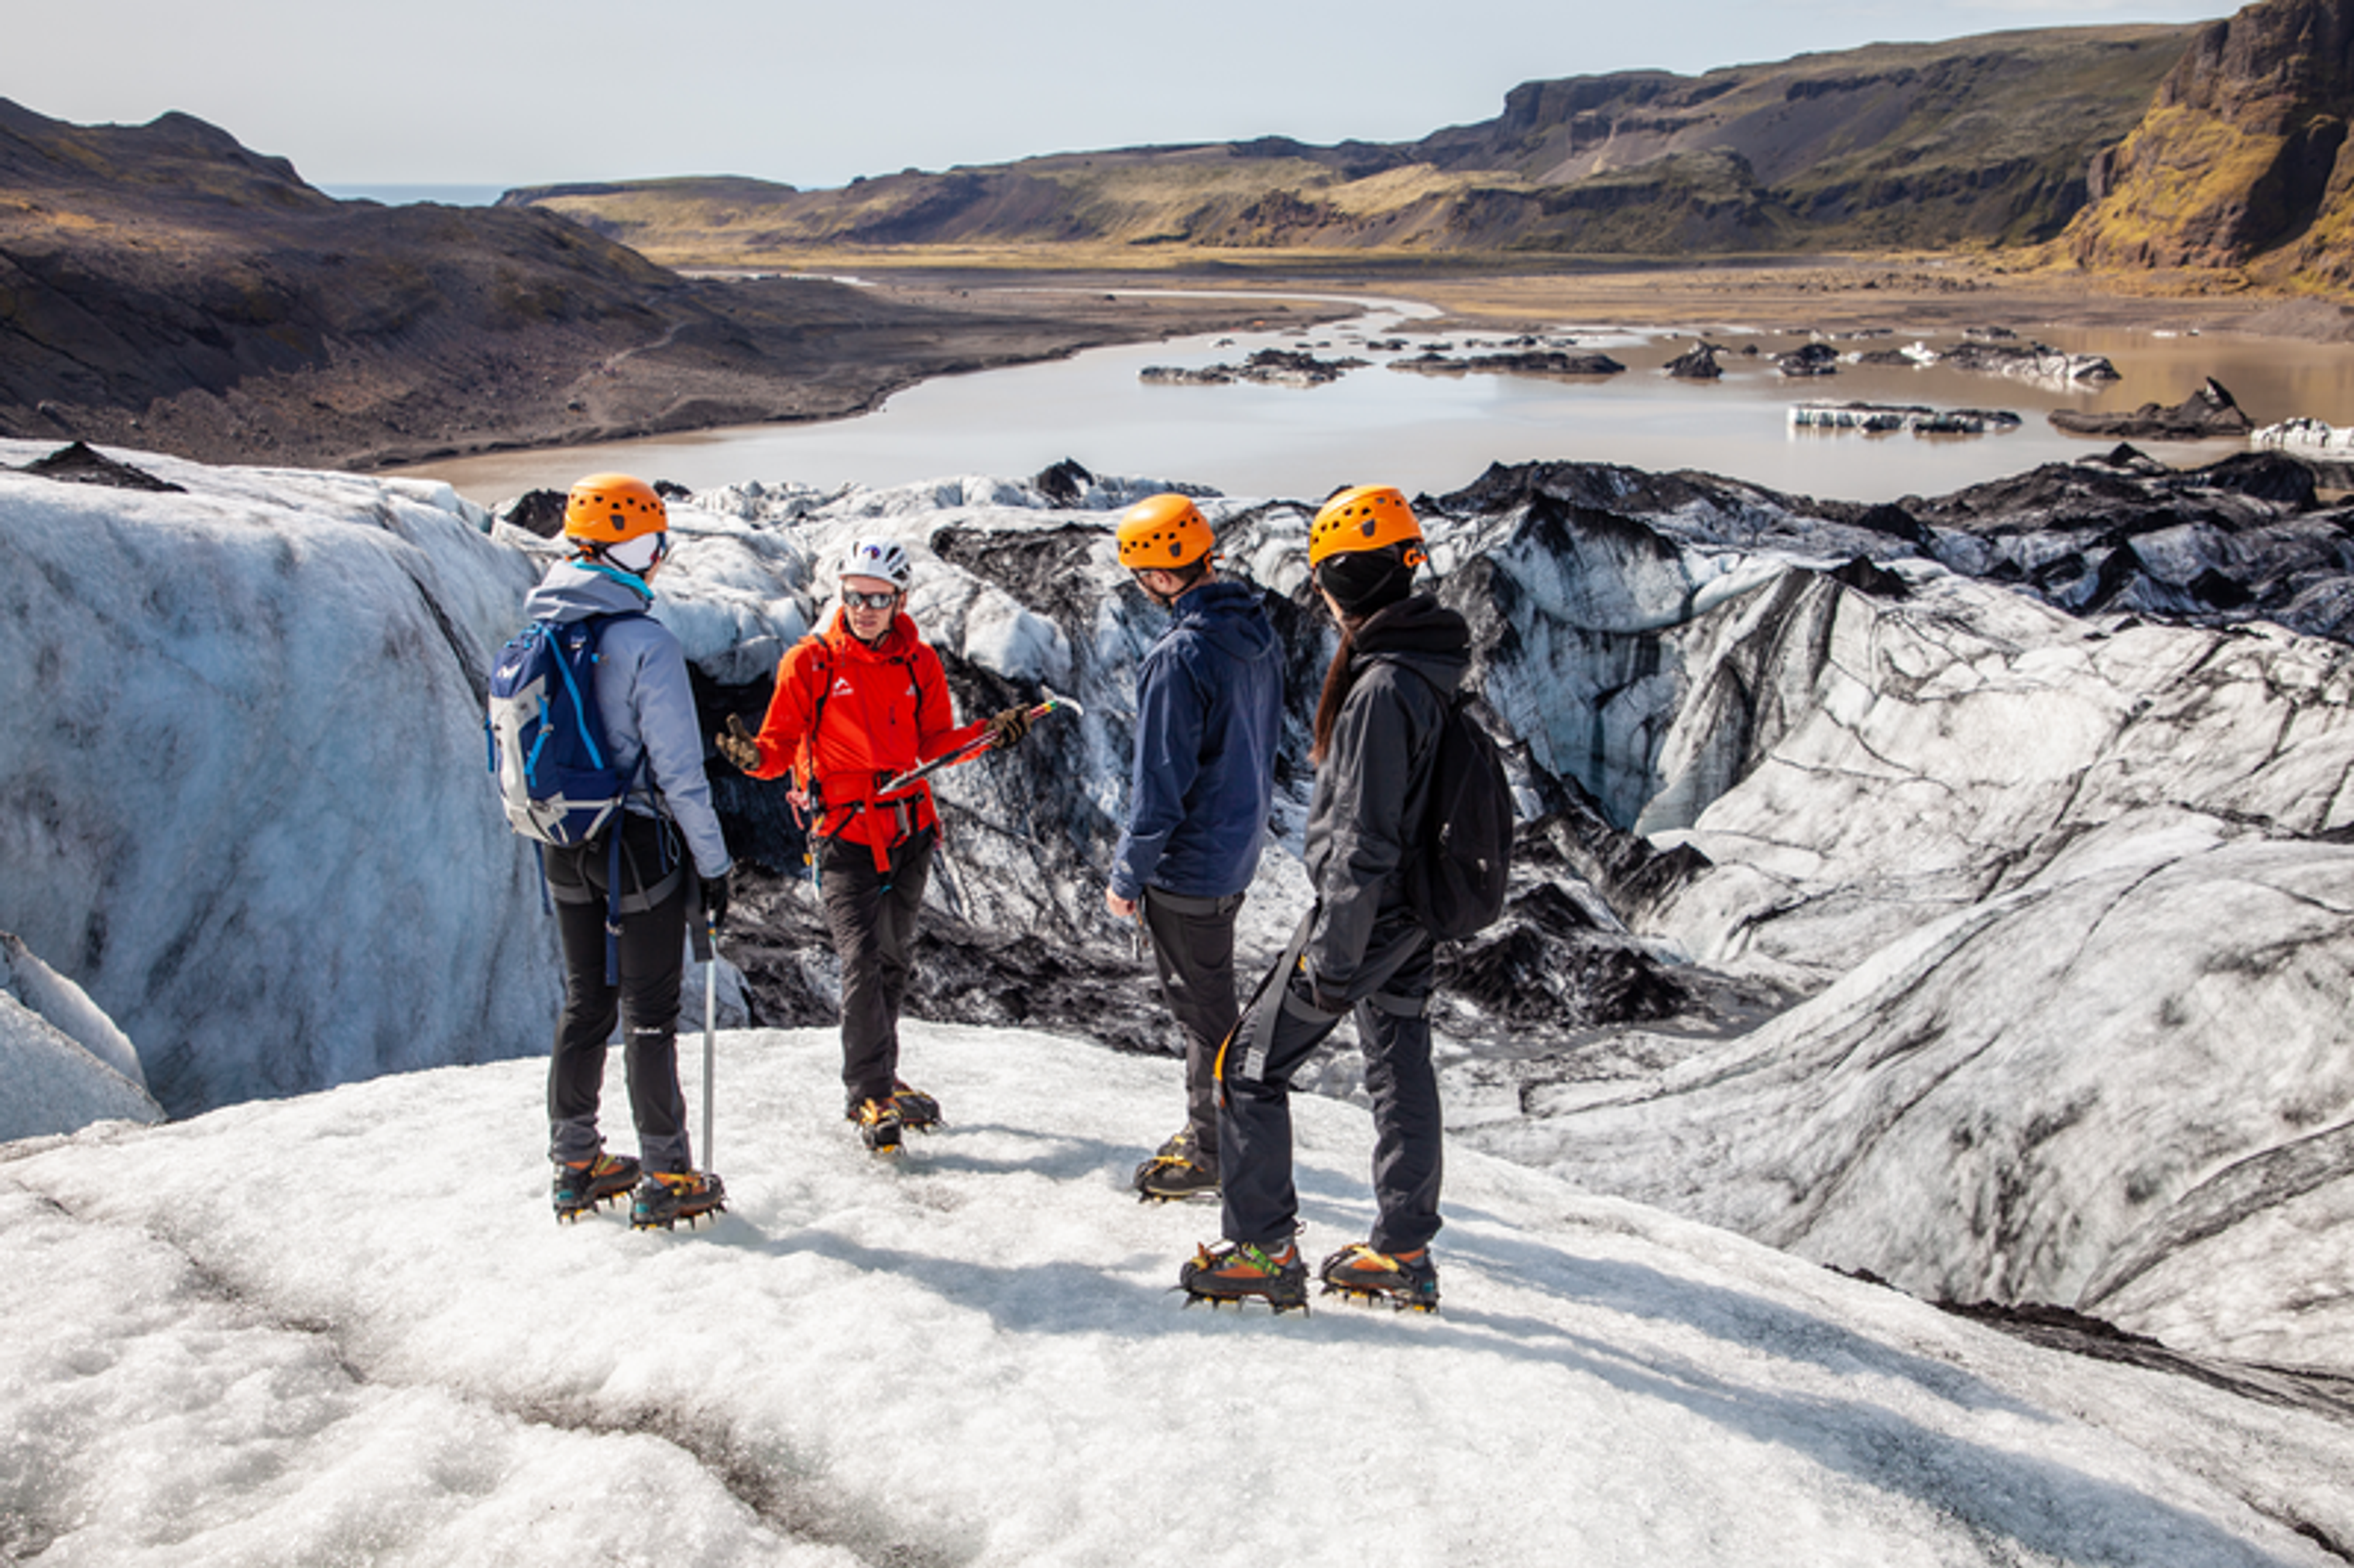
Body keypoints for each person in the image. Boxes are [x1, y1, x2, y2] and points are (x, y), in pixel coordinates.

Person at [1177, 485, 1468, 1312]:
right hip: (1413, 915)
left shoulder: (1380, 689)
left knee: (1249, 1065)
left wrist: (1334, 958)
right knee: (1398, 1063)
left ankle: (1266, 1253)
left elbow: (1364, 838)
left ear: (1340, 581)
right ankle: (1404, 1251)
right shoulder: (1428, 663)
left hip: (1366, 918)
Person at [717, 537, 1032, 1156]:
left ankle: (881, 1076)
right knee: (861, 958)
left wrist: (990, 735)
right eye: (855, 596)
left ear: (900, 600)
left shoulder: (920, 664)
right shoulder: (810, 663)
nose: (863, 608)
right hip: (843, 836)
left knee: (892, 958)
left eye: (877, 598)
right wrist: (754, 758)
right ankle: (866, 1091)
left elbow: (936, 741)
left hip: (909, 829)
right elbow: (778, 745)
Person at [535, 473, 734, 1230]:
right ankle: (667, 1173)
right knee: (650, 1013)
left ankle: (575, 1164)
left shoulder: (542, 632)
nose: (660, 556)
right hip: (641, 849)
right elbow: (681, 776)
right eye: (656, 541)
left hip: (564, 843)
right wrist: (713, 867)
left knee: (587, 1001)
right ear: (638, 546)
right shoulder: (645, 641)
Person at [1108, 494, 1286, 1202]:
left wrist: (1129, 874)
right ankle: (1216, 1131)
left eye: (1141, 573)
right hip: (1236, 848)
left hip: (1189, 865)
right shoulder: (1255, 630)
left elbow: (1159, 788)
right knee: (1210, 1002)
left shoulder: (1179, 655)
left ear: (1159, 575)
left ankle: (1214, 1149)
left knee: (1202, 1012)